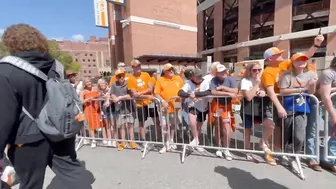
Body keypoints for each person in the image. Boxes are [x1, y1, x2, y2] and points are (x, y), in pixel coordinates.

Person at [0, 24, 92, 189]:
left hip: (28, 139)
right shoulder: (56, 66)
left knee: (31, 184)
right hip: (60, 130)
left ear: (10, 42)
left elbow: (4, 116)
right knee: (71, 173)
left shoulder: (6, 70)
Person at [279, 53, 318, 173]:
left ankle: (295, 156)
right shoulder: (286, 75)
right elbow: (282, 91)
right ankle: (285, 154)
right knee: (286, 134)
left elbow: (312, 92)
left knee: (299, 136)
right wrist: (302, 88)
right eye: (298, 60)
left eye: (304, 60)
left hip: (303, 109)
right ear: (293, 62)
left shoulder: (311, 74)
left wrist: (311, 86)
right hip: (288, 108)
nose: (301, 62)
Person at [127, 59, 159, 150]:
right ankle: (143, 140)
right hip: (140, 104)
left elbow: (150, 88)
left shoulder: (146, 75)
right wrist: (145, 96)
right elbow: (134, 93)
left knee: (156, 121)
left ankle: (159, 139)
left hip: (150, 103)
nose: (138, 68)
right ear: (133, 67)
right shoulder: (130, 78)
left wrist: (140, 93)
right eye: (136, 66)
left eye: (139, 66)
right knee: (141, 123)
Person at [178, 68, 211, 152]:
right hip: (193, 106)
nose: (199, 77)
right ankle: (196, 139)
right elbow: (180, 93)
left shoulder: (205, 82)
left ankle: (197, 142)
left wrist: (196, 94)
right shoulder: (189, 83)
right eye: (197, 76)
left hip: (203, 106)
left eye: (200, 75)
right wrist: (189, 95)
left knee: (199, 126)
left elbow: (209, 92)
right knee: (192, 121)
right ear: (192, 77)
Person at [209, 64, 238, 160]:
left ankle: (226, 149)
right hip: (217, 105)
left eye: (224, 71)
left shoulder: (230, 79)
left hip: (227, 106)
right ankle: (219, 147)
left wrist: (223, 88)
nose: (224, 73)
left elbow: (235, 91)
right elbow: (213, 92)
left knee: (226, 127)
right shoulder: (213, 80)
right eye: (221, 72)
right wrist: (228, 93)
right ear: (216, 73)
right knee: (217, 126)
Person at [154, 63, 184, 154]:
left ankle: (171, 139)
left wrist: (183, 99)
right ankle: (165, 143)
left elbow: (183, 90)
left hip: (176, 106)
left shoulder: (178, 78)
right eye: (169, 69)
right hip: (164, 106)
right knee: (164, 125)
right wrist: (162, 101)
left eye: (172, 69)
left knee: (174, 124)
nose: (171, 71)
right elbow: (156, 93)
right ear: (164, 71)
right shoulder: (160, 80)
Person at [240, 62, 266, 161]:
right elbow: (249, 97)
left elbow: (265, 90)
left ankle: (264, 145)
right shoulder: (245, 81)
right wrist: (256, 85)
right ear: (250, 71)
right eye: (254, 70)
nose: (257, 72)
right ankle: (247, 150)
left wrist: (263, 92)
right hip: (248, 107)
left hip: (260, 106)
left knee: (268, 126)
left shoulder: (262, 79)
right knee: (248, 129)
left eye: (259, 69)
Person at [110, 69, 137, 151]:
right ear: (116, 77)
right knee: (122, 126)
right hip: (119, 109)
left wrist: (120, 97)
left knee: (130, 125)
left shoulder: (128, 83)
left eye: (123, 75)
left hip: (129, 108)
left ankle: (132, 141)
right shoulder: (114, 84)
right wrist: (114, 98)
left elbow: (130, 96)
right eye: (119, 76)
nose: (121, 77)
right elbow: (112, 94)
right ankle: (123, 142)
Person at [319, 57, 336, 173]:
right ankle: (330, 160)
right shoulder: (328, 73)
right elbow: (325, 96)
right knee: (335, 134)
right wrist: (333, 116)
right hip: (331, 107)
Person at [80, 78, 101, 148]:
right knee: (91, 125)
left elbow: (101, 95)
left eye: (89, 81)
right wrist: (88, 99)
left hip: (96, 108)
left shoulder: (95, 89)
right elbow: (81, 102)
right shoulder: (83, 92)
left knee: (97, 124)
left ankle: (97, 137)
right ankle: (93, 140)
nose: (88, 83)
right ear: (84, 84)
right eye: (86, 82)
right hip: (88, 109)